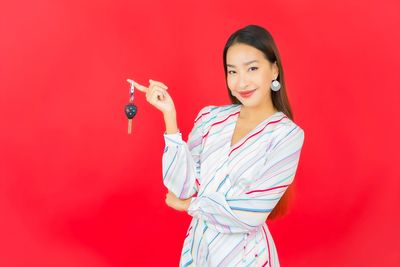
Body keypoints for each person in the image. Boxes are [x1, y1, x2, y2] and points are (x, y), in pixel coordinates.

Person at [132, 24, 305, 267]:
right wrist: (169, 117)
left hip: (247, 257)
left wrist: (189, 205)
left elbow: (251, 214)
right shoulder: (211, 118)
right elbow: (182, 186)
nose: (241, 82)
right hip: (199, 250)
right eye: (232, 71)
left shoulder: (287, 135)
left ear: (274, 69)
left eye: (252, 68)